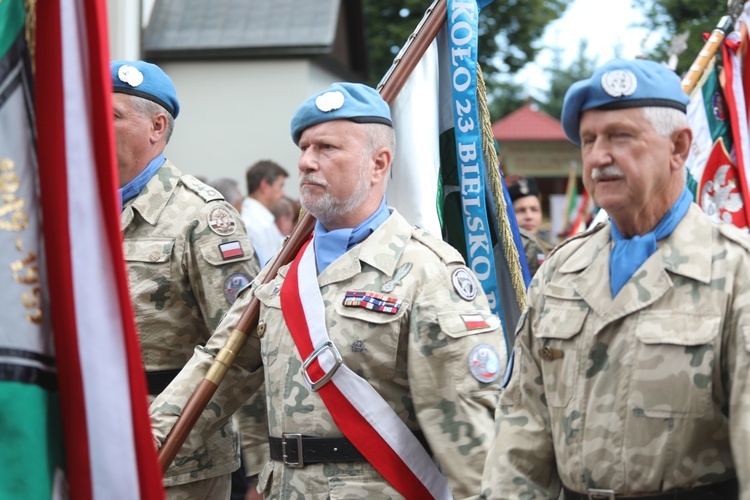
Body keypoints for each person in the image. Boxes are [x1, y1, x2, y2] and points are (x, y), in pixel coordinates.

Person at [150, 82, 506, 498]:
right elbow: (218, 369)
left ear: (378, 164)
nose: (305, 162)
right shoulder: (282, 273)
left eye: (327, 148)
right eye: (304, 147)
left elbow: (469, 435)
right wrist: (145, 444)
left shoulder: (428, 272)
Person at [480, 58, 749, 499]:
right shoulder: (559, 274)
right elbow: (521, 436)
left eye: (621, 137)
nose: (599, 156)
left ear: (679, 147)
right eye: (589, 140)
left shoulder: (736, 271)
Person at [112, 60, 261, 499]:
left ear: (157, 126)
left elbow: (243, 343)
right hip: (85, 445)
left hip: (176, 462)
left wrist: (259, 467)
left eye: (112, 115)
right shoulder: (73, 207)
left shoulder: (202, 217)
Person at [242, 160, 288, 265]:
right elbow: (269, 271)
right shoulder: (260, 225)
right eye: (280, 186)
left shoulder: (253, 218)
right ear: (265, 186)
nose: (283, 194)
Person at [507, 176, 550, 276]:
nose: (529, 216)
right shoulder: (502, 254)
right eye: (521, 210)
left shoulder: (554, 251)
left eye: (534, 209)